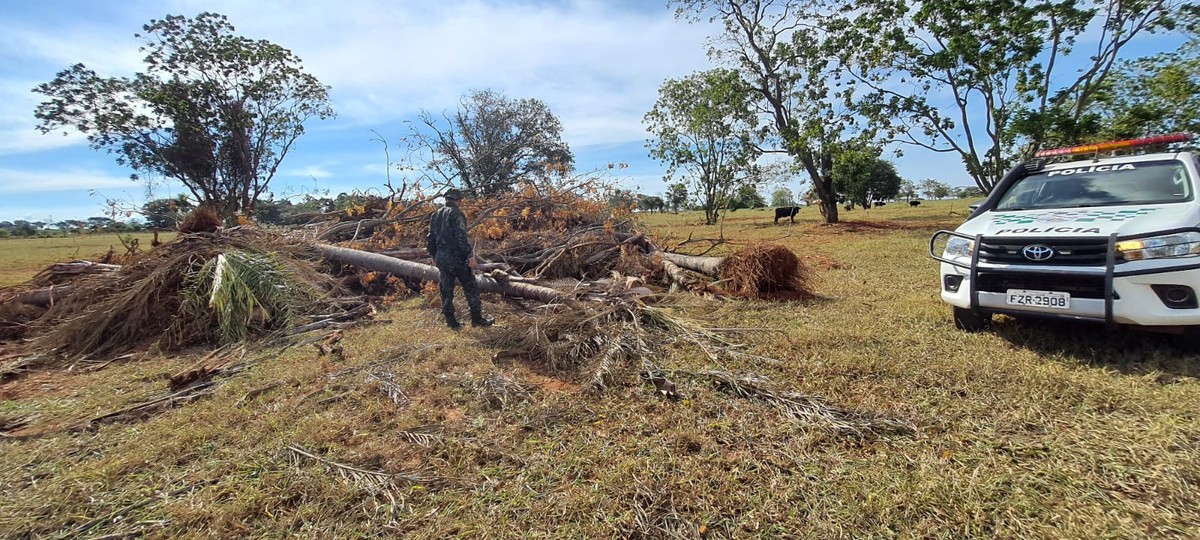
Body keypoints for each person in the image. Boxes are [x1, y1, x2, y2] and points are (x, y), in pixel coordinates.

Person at [426, 188, 494, 329]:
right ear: (458, 200)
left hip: (442, 258)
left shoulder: (435, 215)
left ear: (446, 199)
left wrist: (433, 255)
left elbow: (430, 238)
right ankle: (477, 319)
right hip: (457, 259)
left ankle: (452, 323)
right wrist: (470, 255)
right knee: (471, 287)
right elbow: (461, 237)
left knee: (446, 289)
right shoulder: (456, 214)